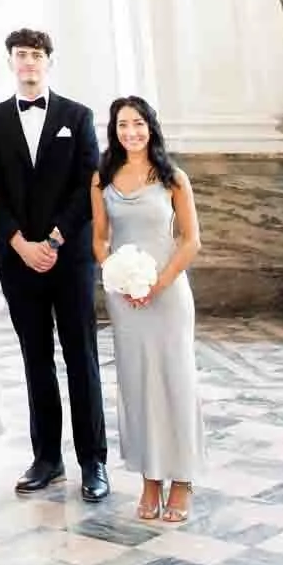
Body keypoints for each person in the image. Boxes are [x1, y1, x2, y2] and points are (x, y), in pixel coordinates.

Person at [0, 27, 109, 502]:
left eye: (35, 55)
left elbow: (86, 186)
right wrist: (18, 241)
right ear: (10, 62)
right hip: (17, 258)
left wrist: (52, 238)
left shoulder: (79, 115)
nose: (28, 63)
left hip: (68, 257)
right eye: (20, 55)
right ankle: (46, 459)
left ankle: (93, 461)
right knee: (35, 360)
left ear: (49, 61)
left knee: (81, 358)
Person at [92, 95, 204, 525]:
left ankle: (182, 478)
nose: (131, 132)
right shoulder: (102, 179)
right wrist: (118, 274)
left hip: (168, 295)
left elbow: (191, 240)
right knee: (137, 384)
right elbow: (100, 240)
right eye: (122, 125)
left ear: (151, 128)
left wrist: (157, 283)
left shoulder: (173, 178)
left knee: (175, 381)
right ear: (114, 130)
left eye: (138, 124)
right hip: (126, 299)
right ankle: (149, 478)